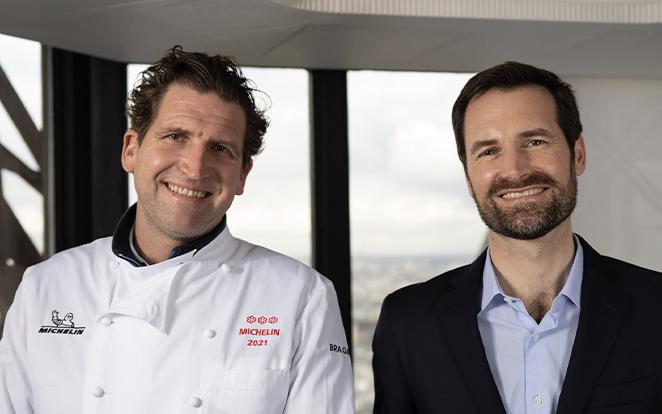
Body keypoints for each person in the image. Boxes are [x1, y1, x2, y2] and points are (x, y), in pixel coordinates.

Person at [0, 46, 354, 414]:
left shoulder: (301, 297)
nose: (195, 168)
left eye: (220, 148)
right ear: (131, 150)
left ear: (242, 176)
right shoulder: (46, 286)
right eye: (175, 136)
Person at [372, 62, 662, 413]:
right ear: (468, 178)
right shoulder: (408, 323)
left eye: (535, 141)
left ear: (578, 155)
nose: (515, 170)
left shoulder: (655, 307)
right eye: (489, 151)